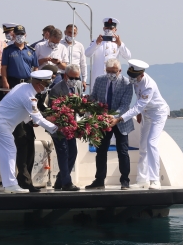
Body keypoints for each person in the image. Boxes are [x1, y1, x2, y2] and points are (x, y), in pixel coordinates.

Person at [0, 70, 58, 193]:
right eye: (45, 85)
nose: (45, 88)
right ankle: (10, 184)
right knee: (10, 150)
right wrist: (56, 129)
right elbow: (38, 118)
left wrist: (31, 120)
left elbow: (19, 108)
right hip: (0, 124)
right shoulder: (29, 97)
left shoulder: (22, 87)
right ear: (39, 84)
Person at [109, 59, 169, 189]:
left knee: (151, 143)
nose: (131, 79)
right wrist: (141, 113)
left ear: (141, 74)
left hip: (158, 114)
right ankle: (143, 179)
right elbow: (139, 102)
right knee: (143, 146)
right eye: (130, 75)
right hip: (146, 113)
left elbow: (137, 107)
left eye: (134, 76)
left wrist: (119, 119)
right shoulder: (135, 79)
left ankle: (155, 180)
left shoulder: (148, 85)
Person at [85, 58, 134, 190]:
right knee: (101, 151)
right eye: (108, 71)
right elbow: (94, 96)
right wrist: (87, 103)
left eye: (113, 71)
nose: (111, 74)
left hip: (120, 121)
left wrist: (114, 117)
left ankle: (125, 181)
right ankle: (99, 180)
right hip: (103, 121)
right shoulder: (100, 80)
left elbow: (125, 105)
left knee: (123, 151)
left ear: (120, 71)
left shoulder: (127, 83)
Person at [1, 25, 39, 191]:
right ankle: (24, 180)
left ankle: (25, 178)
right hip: (14, 85)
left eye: (22, 34)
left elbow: (35, 69)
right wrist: (6, 84)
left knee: (29, 140)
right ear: (13, 35)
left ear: (25, 35)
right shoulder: (8, 50)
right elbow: (4, 69)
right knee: (21, 138)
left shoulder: (31, 51)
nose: (19, 37)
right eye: (17, 34)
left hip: (28, 85)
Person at [48, 64, 83, 191]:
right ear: (65, 76)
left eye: (77, 78)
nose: (74, 81)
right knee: (63, 153)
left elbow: (79, 104)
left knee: (73, 152)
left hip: (71, 126)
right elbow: (53, 111)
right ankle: (67, 183)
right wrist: (67, 109)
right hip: (59, 126)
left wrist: (82, 109)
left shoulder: (78, 86)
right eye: (72, 78)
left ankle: (60, 180)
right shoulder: (56, 89)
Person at [85, 17, 131, 92]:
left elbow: (128, 56)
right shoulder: (96, 41)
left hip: (113, 78)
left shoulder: (118, 43)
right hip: (98, 77)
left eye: (111, 28)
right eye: (106, 27)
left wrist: (120, 44)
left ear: (115, 30)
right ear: (103, 28)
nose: (108, 30)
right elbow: (87, 54)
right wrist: (96, 43)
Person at [60, 24, 88, 92]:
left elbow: (83, 63)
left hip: (76, 76)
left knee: (76, 96)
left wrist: (84, 80)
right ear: (65, 32)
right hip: (62, 75)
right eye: (69, 32)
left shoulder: (80, 46)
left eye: (74, 33)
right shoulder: (59, 44)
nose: (71, 35)